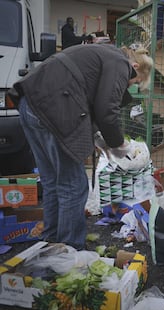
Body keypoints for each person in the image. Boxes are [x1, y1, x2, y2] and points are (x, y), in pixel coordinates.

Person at [9, 43, 153, 250]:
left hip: (30, 104)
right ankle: (69, 250)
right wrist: (120, 145)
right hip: (53, 109)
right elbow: (106, 111)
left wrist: (98, 139)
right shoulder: (121, 63)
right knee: (74, 186)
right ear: (136, 67)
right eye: (135, 82)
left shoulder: (104, 54)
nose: (130, 86)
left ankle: (50, 242)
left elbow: (88, 98)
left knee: (52, 181)